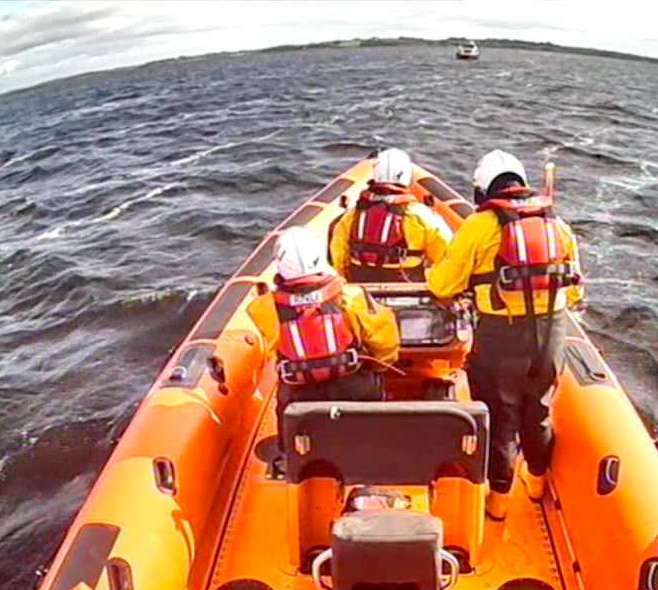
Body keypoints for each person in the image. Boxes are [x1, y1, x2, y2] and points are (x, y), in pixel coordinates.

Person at [426, 150, 583, 521]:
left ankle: (498, 500)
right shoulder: (558, 225)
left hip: (500, 338)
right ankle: (537, 480)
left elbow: (444, 284)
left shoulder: (480, 226)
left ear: (483, 192)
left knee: (500, 417)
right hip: (551, 331)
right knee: (539, 410)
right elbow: (574, 290)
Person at [247, 226, 400, 444]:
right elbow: (385, 341)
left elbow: (275, 345)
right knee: (374, 395)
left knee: (285, 408)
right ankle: (374, 448)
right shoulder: (351, 296)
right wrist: (378, 365)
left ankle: (289, 453)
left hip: (299, 392)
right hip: (353, 385)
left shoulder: (263, 307)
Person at [329, 148, 453, 282]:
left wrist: (343, 274)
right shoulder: (421, 216)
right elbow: (446, 254)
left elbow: (338, 250)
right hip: (406, 285)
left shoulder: (353, 213)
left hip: (360, 282)